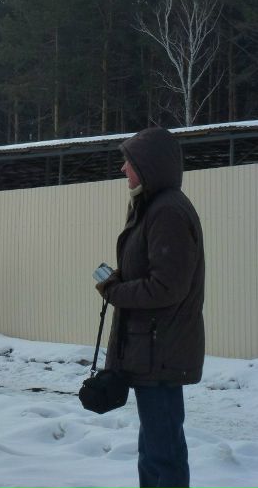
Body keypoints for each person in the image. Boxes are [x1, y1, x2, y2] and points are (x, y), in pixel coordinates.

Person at [95, 126, 205, 488]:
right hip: (153, 350)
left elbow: (167, 287)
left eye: (129, 162)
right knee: (154, 451)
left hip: (161, 352)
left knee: (164, 454)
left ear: (149, 166)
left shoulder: (167, 211)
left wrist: (114, 290)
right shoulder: (154, 207)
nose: (123, 169)